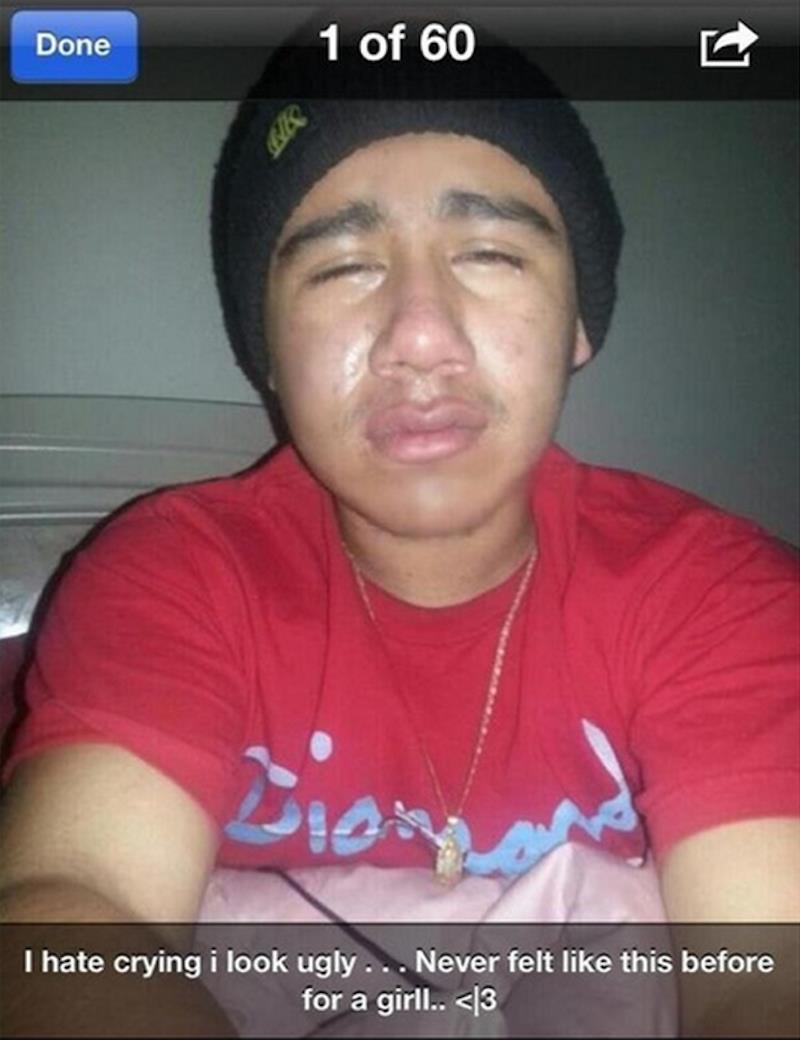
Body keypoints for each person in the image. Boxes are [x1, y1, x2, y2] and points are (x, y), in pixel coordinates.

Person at [0, 13, 797, 1036]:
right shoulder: (176, 576)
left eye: (490, 252)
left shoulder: (711, 592)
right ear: (267, 347)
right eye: (341, 267)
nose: (419, 338)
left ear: (578, 321)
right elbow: (70, 909)